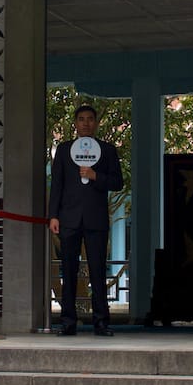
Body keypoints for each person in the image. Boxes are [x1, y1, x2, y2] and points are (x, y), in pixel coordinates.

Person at [48, 105, 123, 336]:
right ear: (75, 123)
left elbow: (117, 182)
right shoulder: (63, 150)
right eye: (81, 119)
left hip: (96, 219)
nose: (86, 123)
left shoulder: (108, 150)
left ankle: (101, 322)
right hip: (69, 218)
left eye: (90, 119)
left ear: (96, 123)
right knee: (69, 271)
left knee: (98, 271)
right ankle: (68, 322)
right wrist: (53, 215)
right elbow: (57, 184)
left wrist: (95, 176)